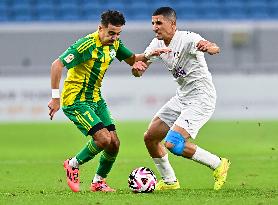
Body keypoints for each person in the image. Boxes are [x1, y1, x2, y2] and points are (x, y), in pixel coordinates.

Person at [47, 10, 147, 192]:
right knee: (103, 139)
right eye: (111, 33)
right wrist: (55, 97)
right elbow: (57, 65)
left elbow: (132, 59)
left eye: (118, 34)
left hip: (95, 98)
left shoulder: (115, 44)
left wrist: (154, 55)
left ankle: (98, 182)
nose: (115, 37)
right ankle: (72, 164)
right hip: (75, 100)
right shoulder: (85, 45)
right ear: (100, 28)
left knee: (114, 143)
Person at [132, 7, 231, 191]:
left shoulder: (188, 39)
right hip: (182, 97)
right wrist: (138, 69)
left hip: (202, 97)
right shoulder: (156, 44)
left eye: (159, 23)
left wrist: (209, 48)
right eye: (153, 23)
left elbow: (214, 47)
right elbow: (139, 66)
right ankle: (170, 182)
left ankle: (218, 164)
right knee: (150, 137)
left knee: (173, 143)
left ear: (173, 24)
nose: (155, 27)